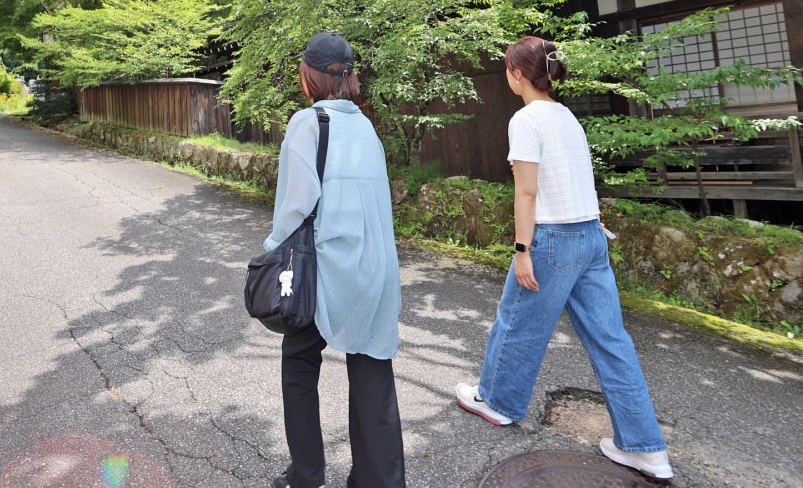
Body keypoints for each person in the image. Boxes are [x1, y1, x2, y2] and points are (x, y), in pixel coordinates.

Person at [455, 36, 673, 480]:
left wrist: (521, 250)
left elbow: (528, 191)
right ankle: (646, 448)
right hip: (592, 236)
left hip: (553, 239)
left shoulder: (525, 118)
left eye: (507, 70)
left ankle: (496, 402)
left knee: (516, 323)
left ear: (518, 74)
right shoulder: (567, 116)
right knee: (612, 342)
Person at [265, 33, 405, 488]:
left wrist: (272, 251)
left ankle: (306, 476)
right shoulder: (365, 126)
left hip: (327, 268)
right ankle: (378, 480)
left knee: (300, 363)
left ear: (309, 74)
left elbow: (294, 207)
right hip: (374, 268)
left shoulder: (308, 123)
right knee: (372, 369)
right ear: (348, 76)